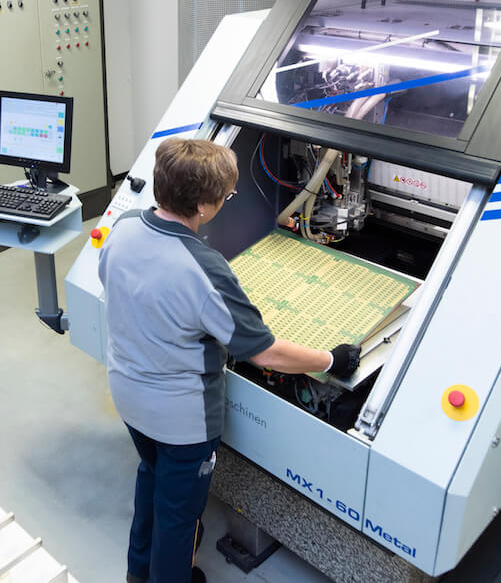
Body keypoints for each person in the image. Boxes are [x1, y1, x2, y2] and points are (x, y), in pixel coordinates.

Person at [98, 137, 361, 583]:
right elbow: (264, 352)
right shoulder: (204, 267)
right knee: (180, 515)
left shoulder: (122, 227)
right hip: (181, 422)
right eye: (227, 196)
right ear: (203, 206)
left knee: (151, 476)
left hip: (128, 396)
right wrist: (330, 359)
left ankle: (137, 573)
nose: (226, 201)